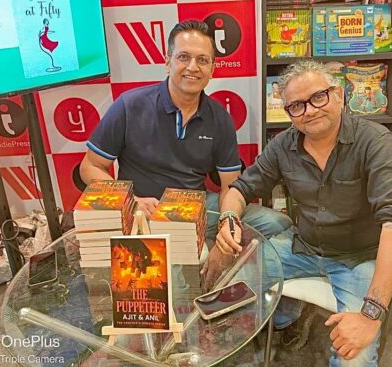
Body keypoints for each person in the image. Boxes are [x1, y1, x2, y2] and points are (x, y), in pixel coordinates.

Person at [205, 60, 392, 367]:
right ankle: (285, 319)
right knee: (235, 279)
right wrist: (228, 218)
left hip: (358, 257)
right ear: (288, 112)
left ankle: (288, 316)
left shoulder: (373, 141)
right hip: (302, 246)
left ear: (339, 95)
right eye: (297, 105)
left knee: (354, 357)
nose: (310, 111)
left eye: (318, 97)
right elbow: (240, 189)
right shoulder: (283, 145)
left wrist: (371, 315)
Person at [80, 20, 290, 240]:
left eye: (202, 60)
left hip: (195, 209)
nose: (193, 67)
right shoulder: (130, 105)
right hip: (141, 211)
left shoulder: (220, 118)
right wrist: (129, 201)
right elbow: (90, 167)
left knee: (277, 224)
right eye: (183, 57)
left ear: (212, 69)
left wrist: (227, 221)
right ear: (167, 63)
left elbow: (230, 187)